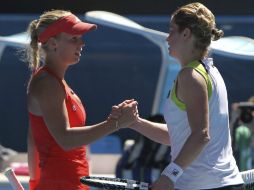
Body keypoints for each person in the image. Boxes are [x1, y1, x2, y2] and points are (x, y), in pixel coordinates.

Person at [113, 2, 245, 190]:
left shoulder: (190, 76)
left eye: (172, 30)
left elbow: (200, 135)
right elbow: (179, 136)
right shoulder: (211, 71)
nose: (168, 38)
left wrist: (168, 176)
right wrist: (135, 122)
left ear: (186, 34)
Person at [25, 10, 137, 190]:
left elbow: (33, 139)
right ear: (53, 43)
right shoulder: (48, 84)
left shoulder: (52, 82)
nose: (82, 43)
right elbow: (65, 140)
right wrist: (115, 124)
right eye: (74, 39)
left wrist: (34, 183)